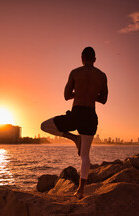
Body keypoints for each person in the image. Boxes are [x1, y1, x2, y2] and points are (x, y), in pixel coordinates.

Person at [41, 47, 108, 199]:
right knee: (85, 156)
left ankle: (73, 138)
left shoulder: (75, 72)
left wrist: (78, 93)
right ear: (95, 59)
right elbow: (103, 99)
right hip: (90, 115)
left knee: (44, 126)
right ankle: (81, 191)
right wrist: (91, 95)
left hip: (76, 114)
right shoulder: (102, 76)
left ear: (82, 58)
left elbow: (66, 95)